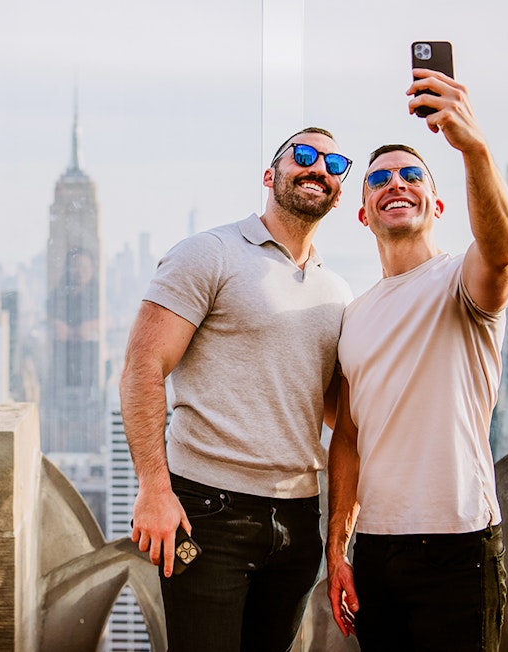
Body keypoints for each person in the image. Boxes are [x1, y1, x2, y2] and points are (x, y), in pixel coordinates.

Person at [120, 127, 354, 651]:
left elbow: (342, 415)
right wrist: (154, 489)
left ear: (340, 191)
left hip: (298, 519)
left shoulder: (337, 293)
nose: (319, 168)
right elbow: (142, 365)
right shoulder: (211, 253)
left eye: (334, 164)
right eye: (305, 155)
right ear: (270, 175)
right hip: (207, 512)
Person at [325, 69, 508, 651]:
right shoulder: (354, 316)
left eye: (411, 175)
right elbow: (352, 435)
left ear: (436, 202)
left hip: (460, 545)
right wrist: (338, 542)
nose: (395, 183)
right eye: (379, 179)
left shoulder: (463, 279)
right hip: (379, 551)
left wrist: (473, 149)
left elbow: (503, 250)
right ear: (363, 213)